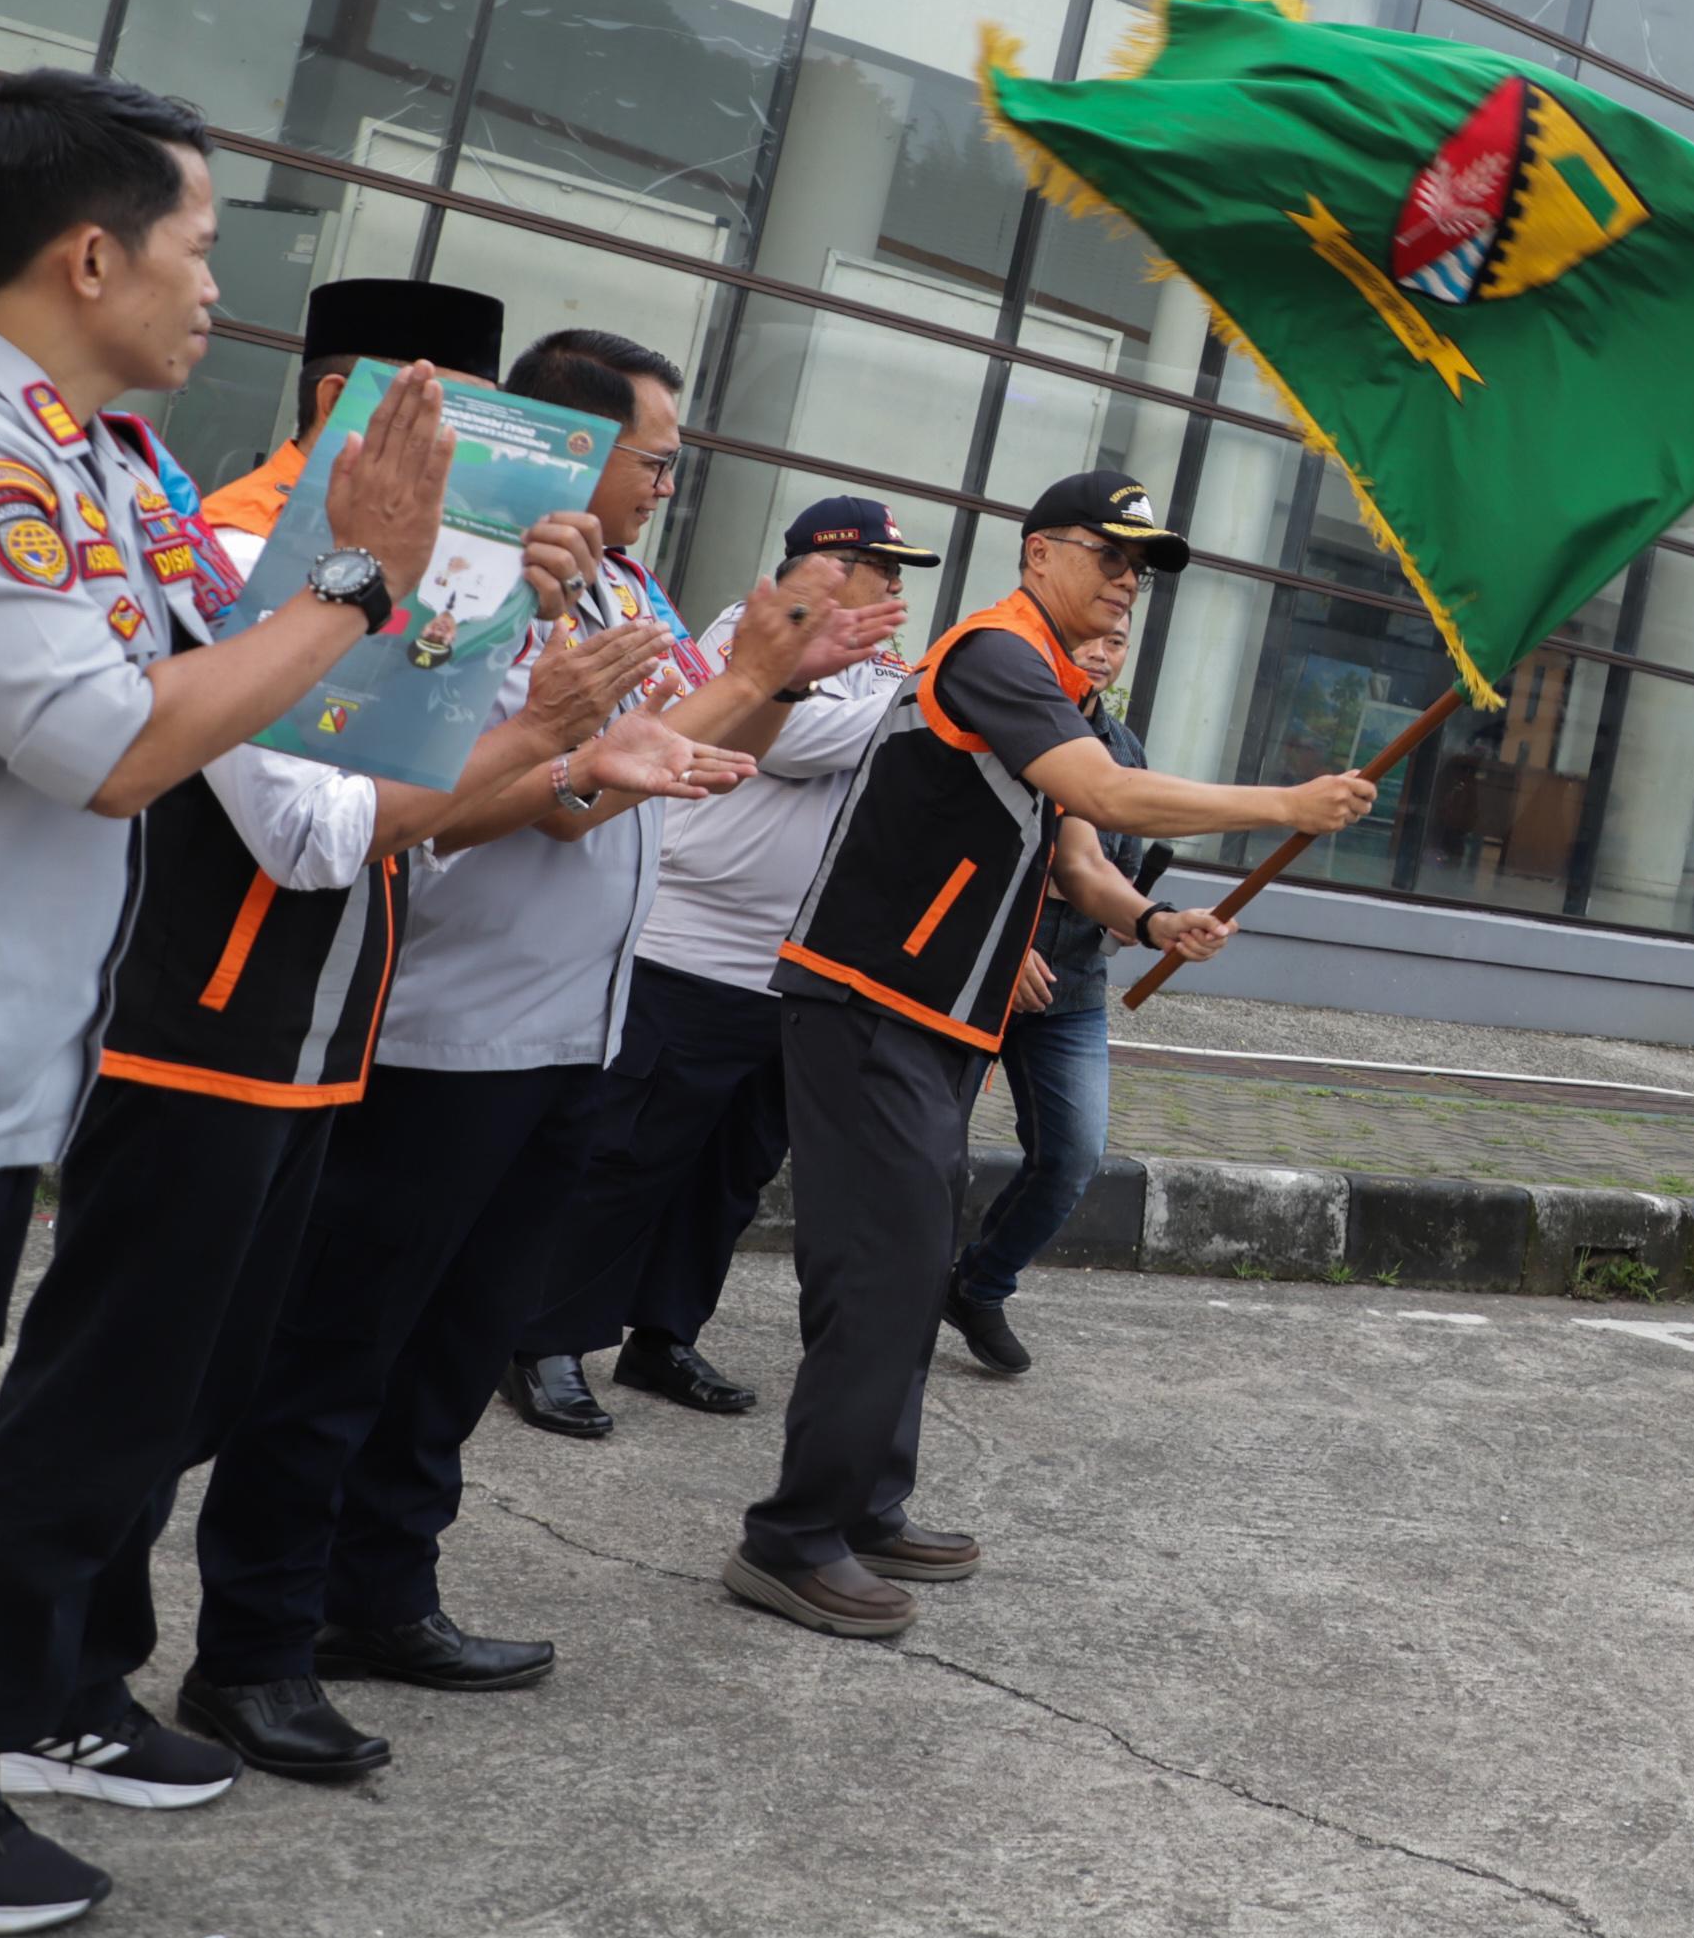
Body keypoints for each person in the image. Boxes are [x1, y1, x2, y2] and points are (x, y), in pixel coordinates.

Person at [0, 281, 748, 1932]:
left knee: (193, 1384)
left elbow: (426, 812)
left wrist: (544, 719)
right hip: (196, 1023)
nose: (490, 462)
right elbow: (304, 814)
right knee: (91, 1399)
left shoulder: (401, 557)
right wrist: (528, 723)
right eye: (459, 422)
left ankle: (66, 1688)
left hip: (316, 1028)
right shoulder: (235, 536)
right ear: (355, 403)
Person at [0, 73, 454, 1938]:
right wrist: (353, 579)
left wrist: (460, 668)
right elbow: (114, 748)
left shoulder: (101, 461)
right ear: (91, 255)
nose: (214, 291)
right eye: (199, 246)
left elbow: (262, 730)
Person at [177, 331, 897, 1787]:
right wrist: (699, 696)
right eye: (652, 455)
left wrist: (761, 677)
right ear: (570, 446)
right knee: (342, 1346)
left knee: (454, 1340)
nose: (665, 481)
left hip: (574, 1018)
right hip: (448, 1024)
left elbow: (673, 751)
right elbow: (548, 794)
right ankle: (253, 1643)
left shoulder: (620, 589)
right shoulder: (477, 583)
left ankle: (384, 1593)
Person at [726, 472, 1373, 1640]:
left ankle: (867, 1505)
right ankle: (791, 1539)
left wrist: (1151, 923)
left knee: (911, 1265)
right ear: (1038, 556)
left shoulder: (1054, 681)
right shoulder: (995, 655)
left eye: (1142, 570)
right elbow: (1107, 789)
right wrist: (1285, 803)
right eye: (1111, 557)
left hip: (937, 1018)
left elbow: (1078, 852)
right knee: (883, 1269)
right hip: (870, 999)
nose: (1128, 585)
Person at [503, 497, 940, 1436]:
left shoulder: (889, 671)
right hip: (689, 954)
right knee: (629, 1158)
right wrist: (931, 708)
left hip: (789, 967)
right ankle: (540, 1338)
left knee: (727, 1174)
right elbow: (805, 747)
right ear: (821, 564)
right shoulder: (747, 642)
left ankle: (664, 1333)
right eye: (880, 564)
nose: (897, 585)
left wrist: (917, 704)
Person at [941, 581, 1237, 1378]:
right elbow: (954, 849)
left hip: (1069, 986)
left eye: (1118, 642)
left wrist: (1152, 920)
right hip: (969, 971)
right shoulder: (995, 721)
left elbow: (1102, 871)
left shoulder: (1124, 752)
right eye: (1092, 639)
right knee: (932, 1154)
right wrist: (1006, 943)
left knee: (1073, 1154)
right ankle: (887, 1302)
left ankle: (978, 1285)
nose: (1102, 653)